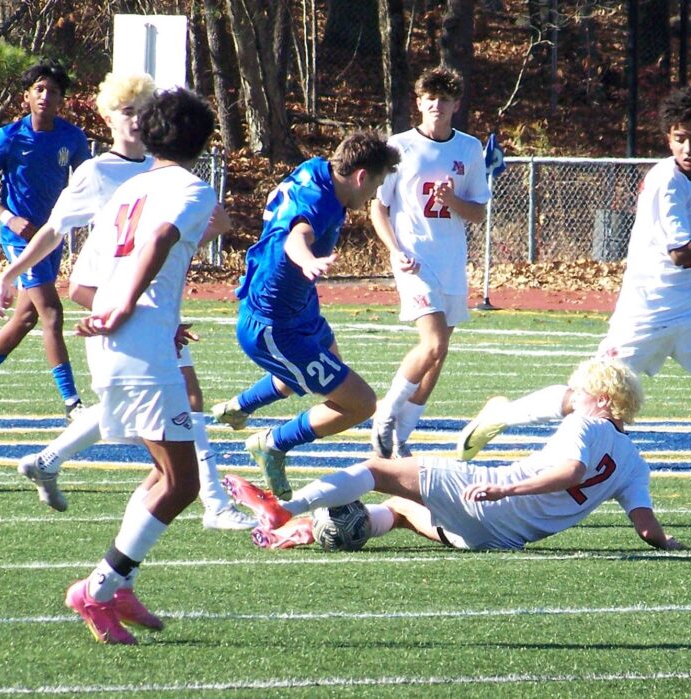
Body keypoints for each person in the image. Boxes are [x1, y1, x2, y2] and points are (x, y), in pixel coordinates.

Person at [456, 87, 691, 526]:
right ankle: (500, 416)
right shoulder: (665, 180)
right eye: (679, 138)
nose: (687, 148)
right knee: (589, 401)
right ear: (668, 138)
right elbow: (680, 252)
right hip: (645, 315)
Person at [0, 72, 254, 530]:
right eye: (126, 111)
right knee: (180, 401)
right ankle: (213, 504)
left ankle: (51, 461)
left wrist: (209, 228)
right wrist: (12, 272)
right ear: (107, 116)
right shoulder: (98, 172)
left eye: (142, 111)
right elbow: (56, 229)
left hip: (148, 298)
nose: (135, 120)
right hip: (122, 297)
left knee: (140, 415)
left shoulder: (165, 171)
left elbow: (196, 230)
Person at [224, 356, 683, 553]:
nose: (571, 397)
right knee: (401, 508)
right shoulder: (635, 463)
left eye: (579, 391)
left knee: (376, 468)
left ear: (603, 399)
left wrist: (507, 486)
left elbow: (570, 471)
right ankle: (305, 531)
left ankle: (284, 508)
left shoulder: (585, 422)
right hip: (497, 540)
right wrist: (671, 544)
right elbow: (646, 529)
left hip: (489, 497)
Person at [63, 87, 220, 645]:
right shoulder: (192, 189)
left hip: (121, 343)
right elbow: (157, 238)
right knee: (182, 482)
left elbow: (80, 286)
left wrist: (118, 309)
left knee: (162, 473)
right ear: (203, 141)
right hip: (141, 348)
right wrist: (129, 307)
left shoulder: (129, 188)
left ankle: (119, 584)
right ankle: (99, 588)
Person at [210, 131, 401, 499]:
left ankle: (238, 408)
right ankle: (273, 443)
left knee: (327, 375)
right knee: (360, 403)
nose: (374, 195)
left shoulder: (317, 168)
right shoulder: (322, 203)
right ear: (361, 176)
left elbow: (278, 200)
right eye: (375, 185)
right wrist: (308, 259)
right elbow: (297, 235)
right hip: (274, 324)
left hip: (299, 308)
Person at [368, 66, 490, 458]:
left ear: (456, 105)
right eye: (429, 99)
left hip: (451, 262)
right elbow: (378, 208)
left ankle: (401, 437)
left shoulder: (469, 148)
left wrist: (453, 201)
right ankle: (385, 415)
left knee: (440, 353)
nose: (436, 105)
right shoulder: (400, 146)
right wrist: (395, 250)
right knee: (432, 342)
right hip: (414, 261)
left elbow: (479, 213)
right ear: (419, 103)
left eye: (444, 99)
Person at [0, 61, 91, 422]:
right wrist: (9, 217)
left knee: (26, 316)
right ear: (27, 96)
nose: (45, 96)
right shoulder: (10, 136)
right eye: (39, 89)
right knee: (52, 311)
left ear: (62, 99)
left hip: (52, 237)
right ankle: (72, 404)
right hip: (19, 240)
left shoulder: (72, 138)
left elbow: (85, 184)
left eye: (52, 91)